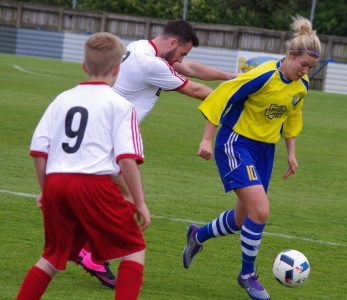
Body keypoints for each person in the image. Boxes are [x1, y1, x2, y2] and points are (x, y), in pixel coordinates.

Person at [77, 19, 237, 288]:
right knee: (129, 199)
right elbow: (196, 90)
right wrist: (235, 98)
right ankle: (90, 253)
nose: (183, 58)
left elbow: (190, 69)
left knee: (115, 197)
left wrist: (229, 77)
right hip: (112, 135)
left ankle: (86, 248)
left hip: (104, 129)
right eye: (183, 52)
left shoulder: (142, 47)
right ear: (173, 43)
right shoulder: (152, 64)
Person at [182, 16, 320, 300]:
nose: (306, 72)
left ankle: (198, 235)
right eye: (303, 64)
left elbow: (292, 117)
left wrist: (291, 153)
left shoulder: (301, 84)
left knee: (241, 218)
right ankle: (247, 275)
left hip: (264, 151)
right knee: (260, 211)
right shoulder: (262, 75)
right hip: (236, 143)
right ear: (290, 55)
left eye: (311, 67)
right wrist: (207, 138)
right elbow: (222, 97)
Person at [16, 32, 150, 300]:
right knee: (134, 249)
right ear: (118, 69)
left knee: (51, 258)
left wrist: (45, 190)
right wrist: (140, 202)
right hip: (93, 185)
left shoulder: (62, 99)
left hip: (56, 182)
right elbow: (126, 158)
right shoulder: (121, 106)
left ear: (84, 66)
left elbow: (39, 149)